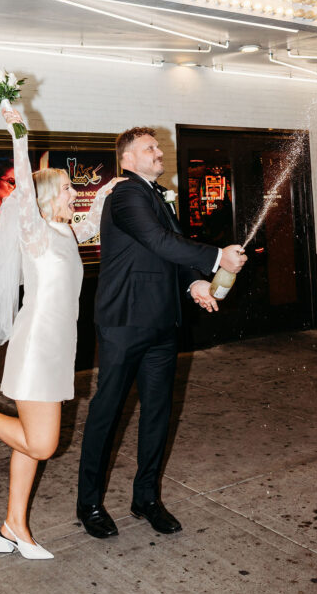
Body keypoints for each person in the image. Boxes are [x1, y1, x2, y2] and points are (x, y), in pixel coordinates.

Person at [0, 107, 123, 560]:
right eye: (68, 189)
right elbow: (25, 187)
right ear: (46, 198)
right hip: (36, 349)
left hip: (57, 349)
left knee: (28, 444)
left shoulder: (64, 232)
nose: (74, 194)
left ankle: (13, 527)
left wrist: (105, 190)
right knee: (44, 443)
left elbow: (90, 223)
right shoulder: (36, 233)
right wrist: (18, 131)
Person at [77, 126, 247, 539]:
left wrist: (195, 283)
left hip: (161, 322)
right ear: (128, 160)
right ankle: (89, 504)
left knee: (157, 412)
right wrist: (216, 256)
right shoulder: (127, 194)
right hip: (124, 321)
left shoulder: (156, 195)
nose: (158, 152)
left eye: (157, 146)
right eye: (149, 148)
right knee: (107, 411)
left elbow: (170, 245)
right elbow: (156, 240)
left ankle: (146, 498)